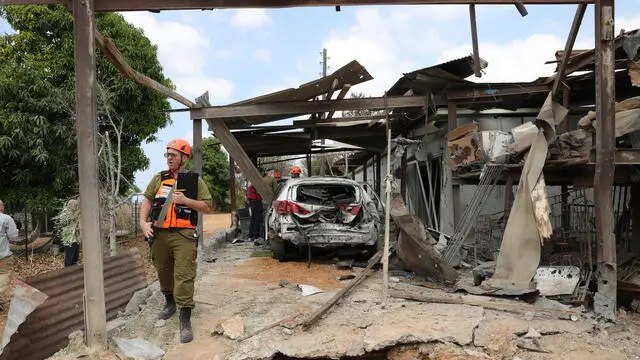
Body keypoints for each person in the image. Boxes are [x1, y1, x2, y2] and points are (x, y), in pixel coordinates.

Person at [139, 139, 213, 344]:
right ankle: (169, 302)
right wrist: (143, 223)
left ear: (184, 158)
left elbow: (208, 206)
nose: (169, 158)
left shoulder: (195, 181)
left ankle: (185, 317)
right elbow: (147, 200)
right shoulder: (158, 179)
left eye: (173, 155)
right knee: (163, 270)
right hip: (159, 235)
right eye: (167, 155)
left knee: (184, 274)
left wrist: (186, 201)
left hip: (184, 235)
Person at [0, 200, 18, 297]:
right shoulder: (5, 218)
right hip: (2, 255)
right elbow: (13, 235)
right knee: (4, 276)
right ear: (1, 206)